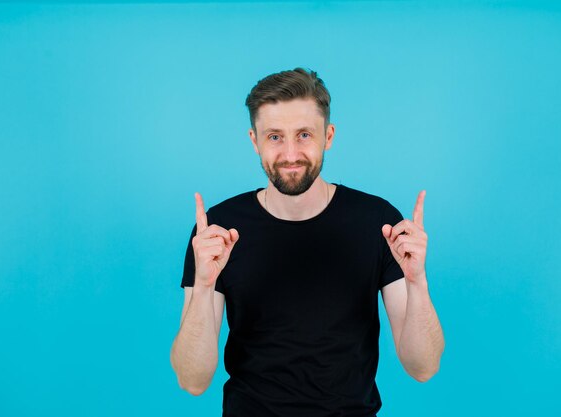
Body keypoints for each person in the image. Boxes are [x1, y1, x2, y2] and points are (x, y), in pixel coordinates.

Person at [170, 68, 445, 416]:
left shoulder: (379, 223)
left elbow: (423, 368)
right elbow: (192, 380)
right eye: (274, 137)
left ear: (328, 136)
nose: (290, 153)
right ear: (254, 140)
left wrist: (417, 282)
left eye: (303, 135)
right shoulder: (217, 231)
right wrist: (204, 285)